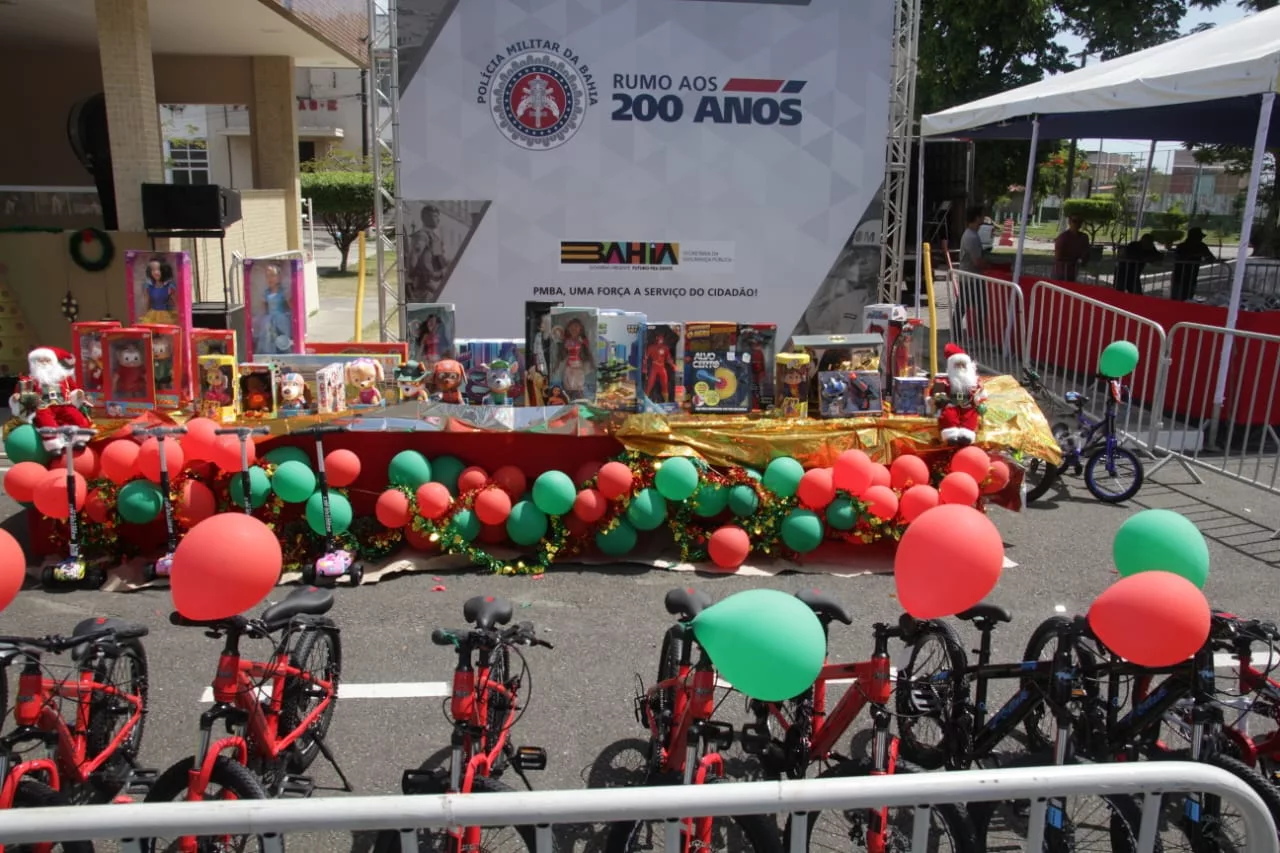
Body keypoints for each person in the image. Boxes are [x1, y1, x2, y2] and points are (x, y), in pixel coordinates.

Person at [956, 206, 988, 342]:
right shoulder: (971, 237)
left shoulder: (970, 234)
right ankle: (977, 337)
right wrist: (989, 266)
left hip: (968, 277)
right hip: (971, 278)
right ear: (976, 218)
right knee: (976, 308)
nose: (983, 219)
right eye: (981, 216)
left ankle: (966, 335)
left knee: (965, 307)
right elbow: (977, 261)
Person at [406, 204, 447, 302]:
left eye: (438, 216)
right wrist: (410, 277)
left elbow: (440, 262)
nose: (438, 220)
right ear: (425, 217)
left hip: (432, 283)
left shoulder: (435, 238)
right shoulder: (422, 236)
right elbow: (413, 257)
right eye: (435, 216)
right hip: (423, 285)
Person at [253, 264, 294, 355]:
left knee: (282, 337)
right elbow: (264, 309)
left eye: (272, 275)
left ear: (278, 277)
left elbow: (290, 306)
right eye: (267, 276)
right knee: (269, 338)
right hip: (269, 320)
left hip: (281, 318)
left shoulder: (282, 291)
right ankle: (270, 357)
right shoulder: (266, 293)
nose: (270, 278)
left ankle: (285, 354)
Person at [1170, 226, 1217, 301]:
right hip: (1179, 276)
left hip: (1192, 277)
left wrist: (1206, 256)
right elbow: (1179, 257)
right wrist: (1196, 254)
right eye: (1199, 237)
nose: (1201, 239)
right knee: (1176, 298)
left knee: (1188, 298)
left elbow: (1211, 258)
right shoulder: (1182, 246)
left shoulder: (1202, 246)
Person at [1053, 216, 1091, 282]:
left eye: (1080, 221)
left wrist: (1082, 260)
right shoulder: (1063, 238)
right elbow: (1058, 257)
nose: (1077, 223)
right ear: (1069, 222)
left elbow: (1086, 254)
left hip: (1073, 271)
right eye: (1075, 221)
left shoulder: (1084, 237)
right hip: (1061, 272)